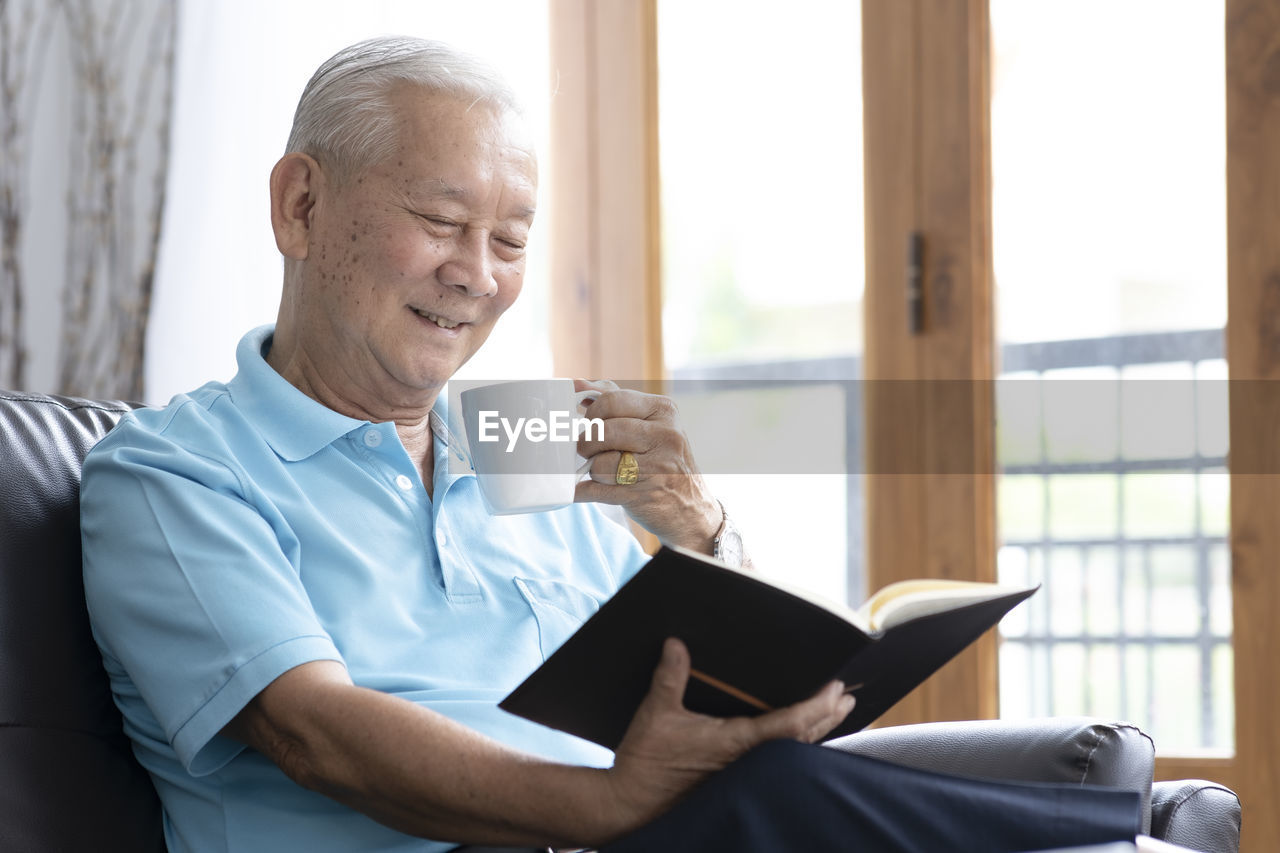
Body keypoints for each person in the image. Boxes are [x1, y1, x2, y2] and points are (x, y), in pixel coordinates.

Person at [81, 36, 1142, 853]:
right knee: (803, 800)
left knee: (804, 785)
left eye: (508, 241)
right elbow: (314, 730)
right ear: (301, 204)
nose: (475, 273)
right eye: (441, 221)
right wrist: (608, 805)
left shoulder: (525, 443)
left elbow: (683, 689)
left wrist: (703, 534)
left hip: (638, 835)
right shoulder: (172, 472)